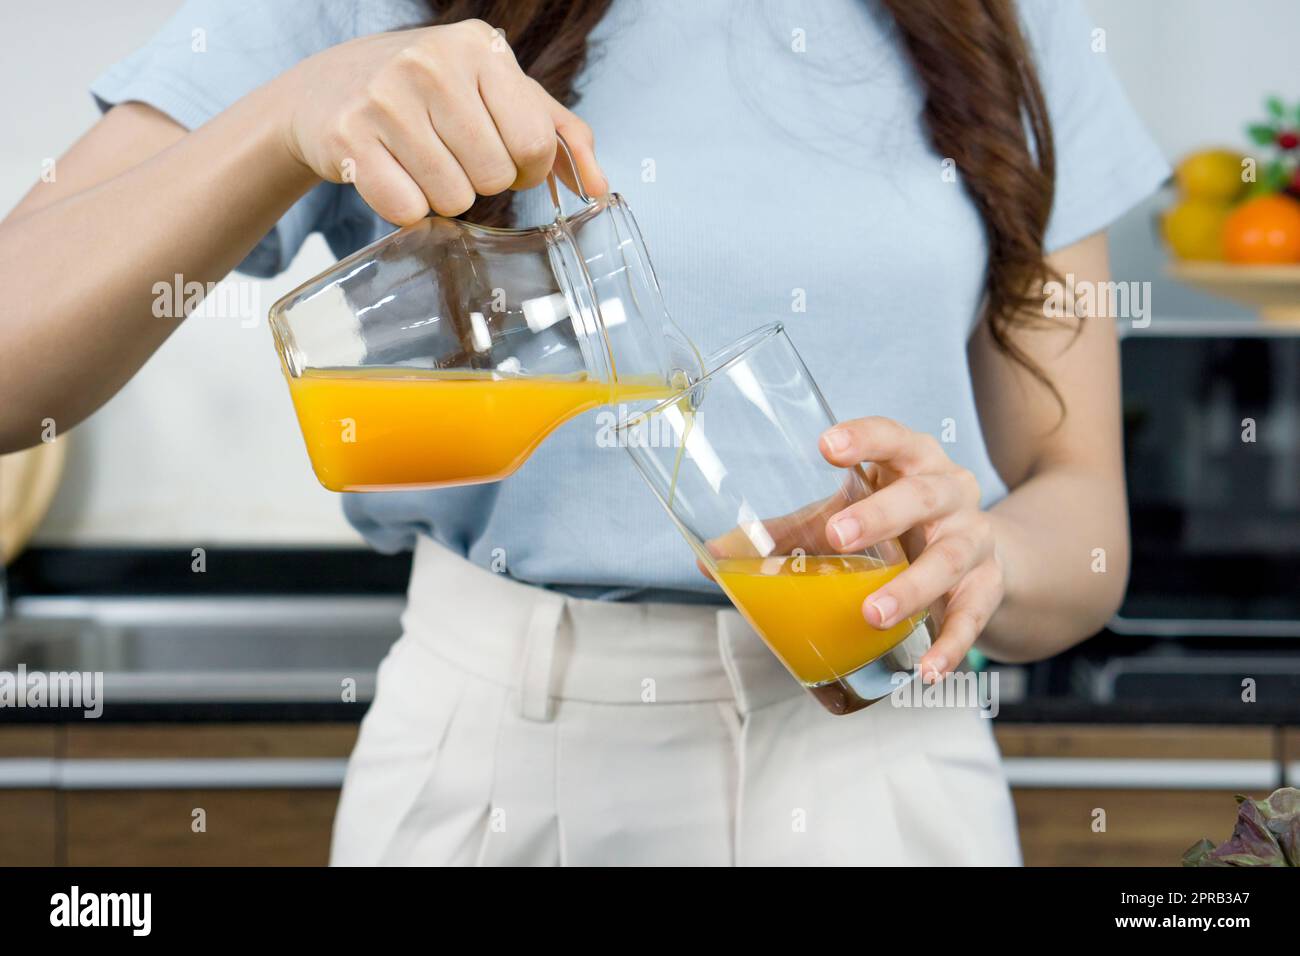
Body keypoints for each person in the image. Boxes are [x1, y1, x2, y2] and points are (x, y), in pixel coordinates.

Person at [0, 0, 1168, 865]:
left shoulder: (1010, 21)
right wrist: (293, 110)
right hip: (499, 760)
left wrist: (986, 558)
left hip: (887, 770)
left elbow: (1080, 514)